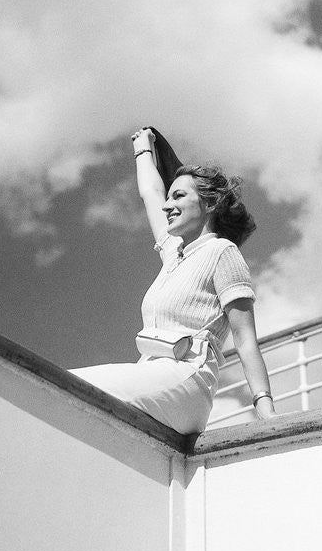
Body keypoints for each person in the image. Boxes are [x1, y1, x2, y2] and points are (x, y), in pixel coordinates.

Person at [70, 128, 276, 435]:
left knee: (69, 386)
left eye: (178, 196)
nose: (167, 206)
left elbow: (244, 339)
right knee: (64, 393)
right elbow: (150, 193)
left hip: (188, 377)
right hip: (153, 372)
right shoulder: (172, 253)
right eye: (168, 198)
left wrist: (265, 408)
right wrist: (142, 146)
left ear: (210, 203)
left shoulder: (222, 251)